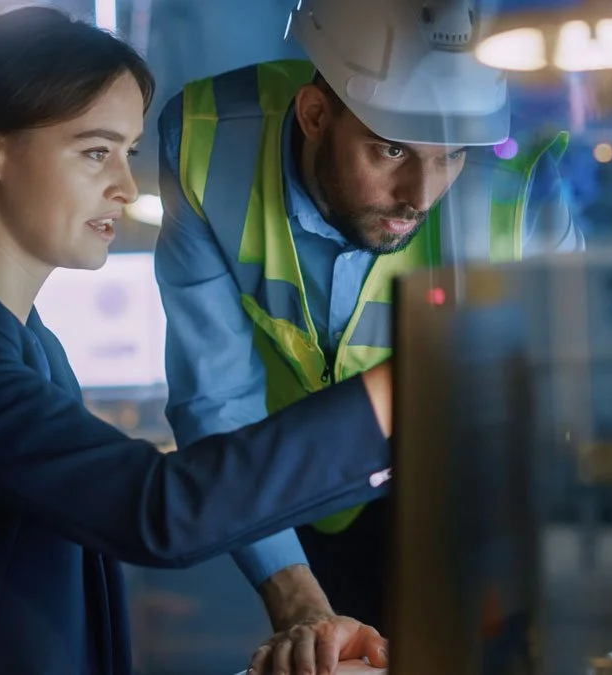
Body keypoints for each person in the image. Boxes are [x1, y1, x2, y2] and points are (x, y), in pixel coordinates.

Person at [0, 7, 395, 675]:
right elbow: (156, 510)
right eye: (95, 151)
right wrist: (386, 401)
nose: (125, 185)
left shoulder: (20, 334)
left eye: (129, 152)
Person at [154, 0, 585, 655]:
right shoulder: (206, 141)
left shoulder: (522, 174)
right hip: (279, 485)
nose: (423, 191)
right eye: (391, 148)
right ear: (315, 115)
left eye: (452, 155)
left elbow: (569, 386)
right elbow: (214, 396)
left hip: (460, 493)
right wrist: (297, 598)